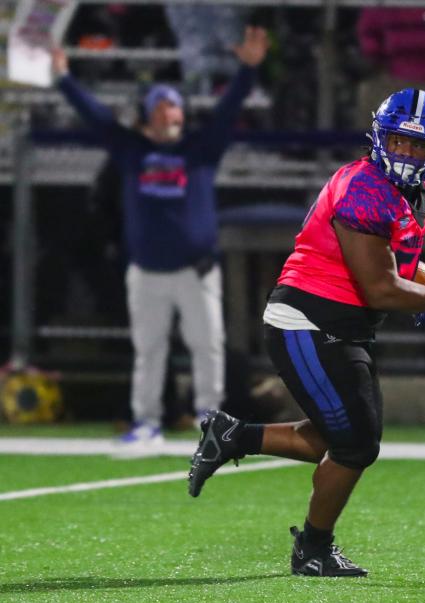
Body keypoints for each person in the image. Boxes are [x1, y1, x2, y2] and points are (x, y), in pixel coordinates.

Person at [186, 89, 425, 577]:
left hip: (342, 324)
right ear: (378, 136)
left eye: (417, 146)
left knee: (344, 435)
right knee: (355, 444)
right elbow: (377, 287)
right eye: (398, 141)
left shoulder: (422, 192)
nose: (406, 154)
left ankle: (234, 435)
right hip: (309, 320)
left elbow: (398, 261)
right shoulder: (366, 187)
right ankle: (312, 548)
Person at [52, 27, 269, 456]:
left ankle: (211, 420)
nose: (173, 113)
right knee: (148, 351)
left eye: (176, 106)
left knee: (207, 347)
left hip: (196, 269)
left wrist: (247, 71)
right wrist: (63, 78)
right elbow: (95, 115)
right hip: (148, 271)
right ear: (149, 116)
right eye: (164, 106)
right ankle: (147, 421)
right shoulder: (131, 150)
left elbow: (227, 112)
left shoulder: (200, 150)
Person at [354, 8, 425, 128]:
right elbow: (368, 33)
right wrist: (377, 60)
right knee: (367, 93)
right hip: (390, 77)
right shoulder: (381, 7)